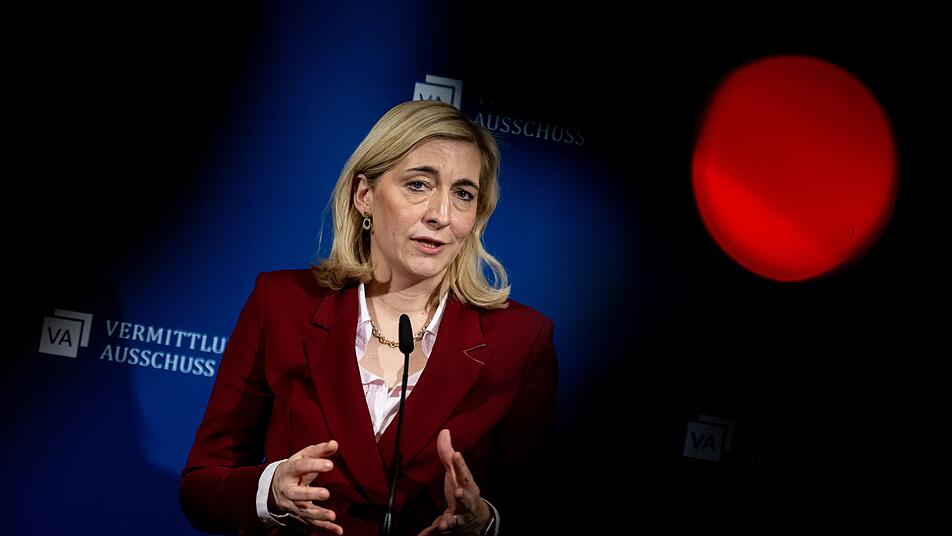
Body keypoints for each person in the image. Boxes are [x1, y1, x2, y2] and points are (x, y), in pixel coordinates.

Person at [180, 99, 558, 536]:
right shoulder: (282, 303)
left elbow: (533, 505)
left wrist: (485, 522)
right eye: (419, 185)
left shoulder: (520, 339)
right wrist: (269, 490)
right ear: (364, 195)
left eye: (463, 194)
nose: (441, 215)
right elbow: (201, 487)